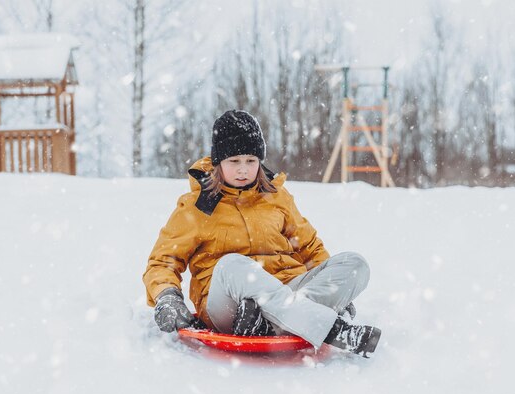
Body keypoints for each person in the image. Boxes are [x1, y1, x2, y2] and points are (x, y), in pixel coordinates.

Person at [142, 110, 381, 357]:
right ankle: (331, 329)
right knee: (231, 265)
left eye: (251, 160)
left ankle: (270, 324)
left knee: (355, 264)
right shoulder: (197, 206)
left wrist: (334, 289)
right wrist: (167, 296)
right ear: (218, 162)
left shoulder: (277, 197)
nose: (243, 169)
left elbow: (310, 247)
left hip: (284, 291)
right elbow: (163, 261)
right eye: (234, 161)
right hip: (230, 307)